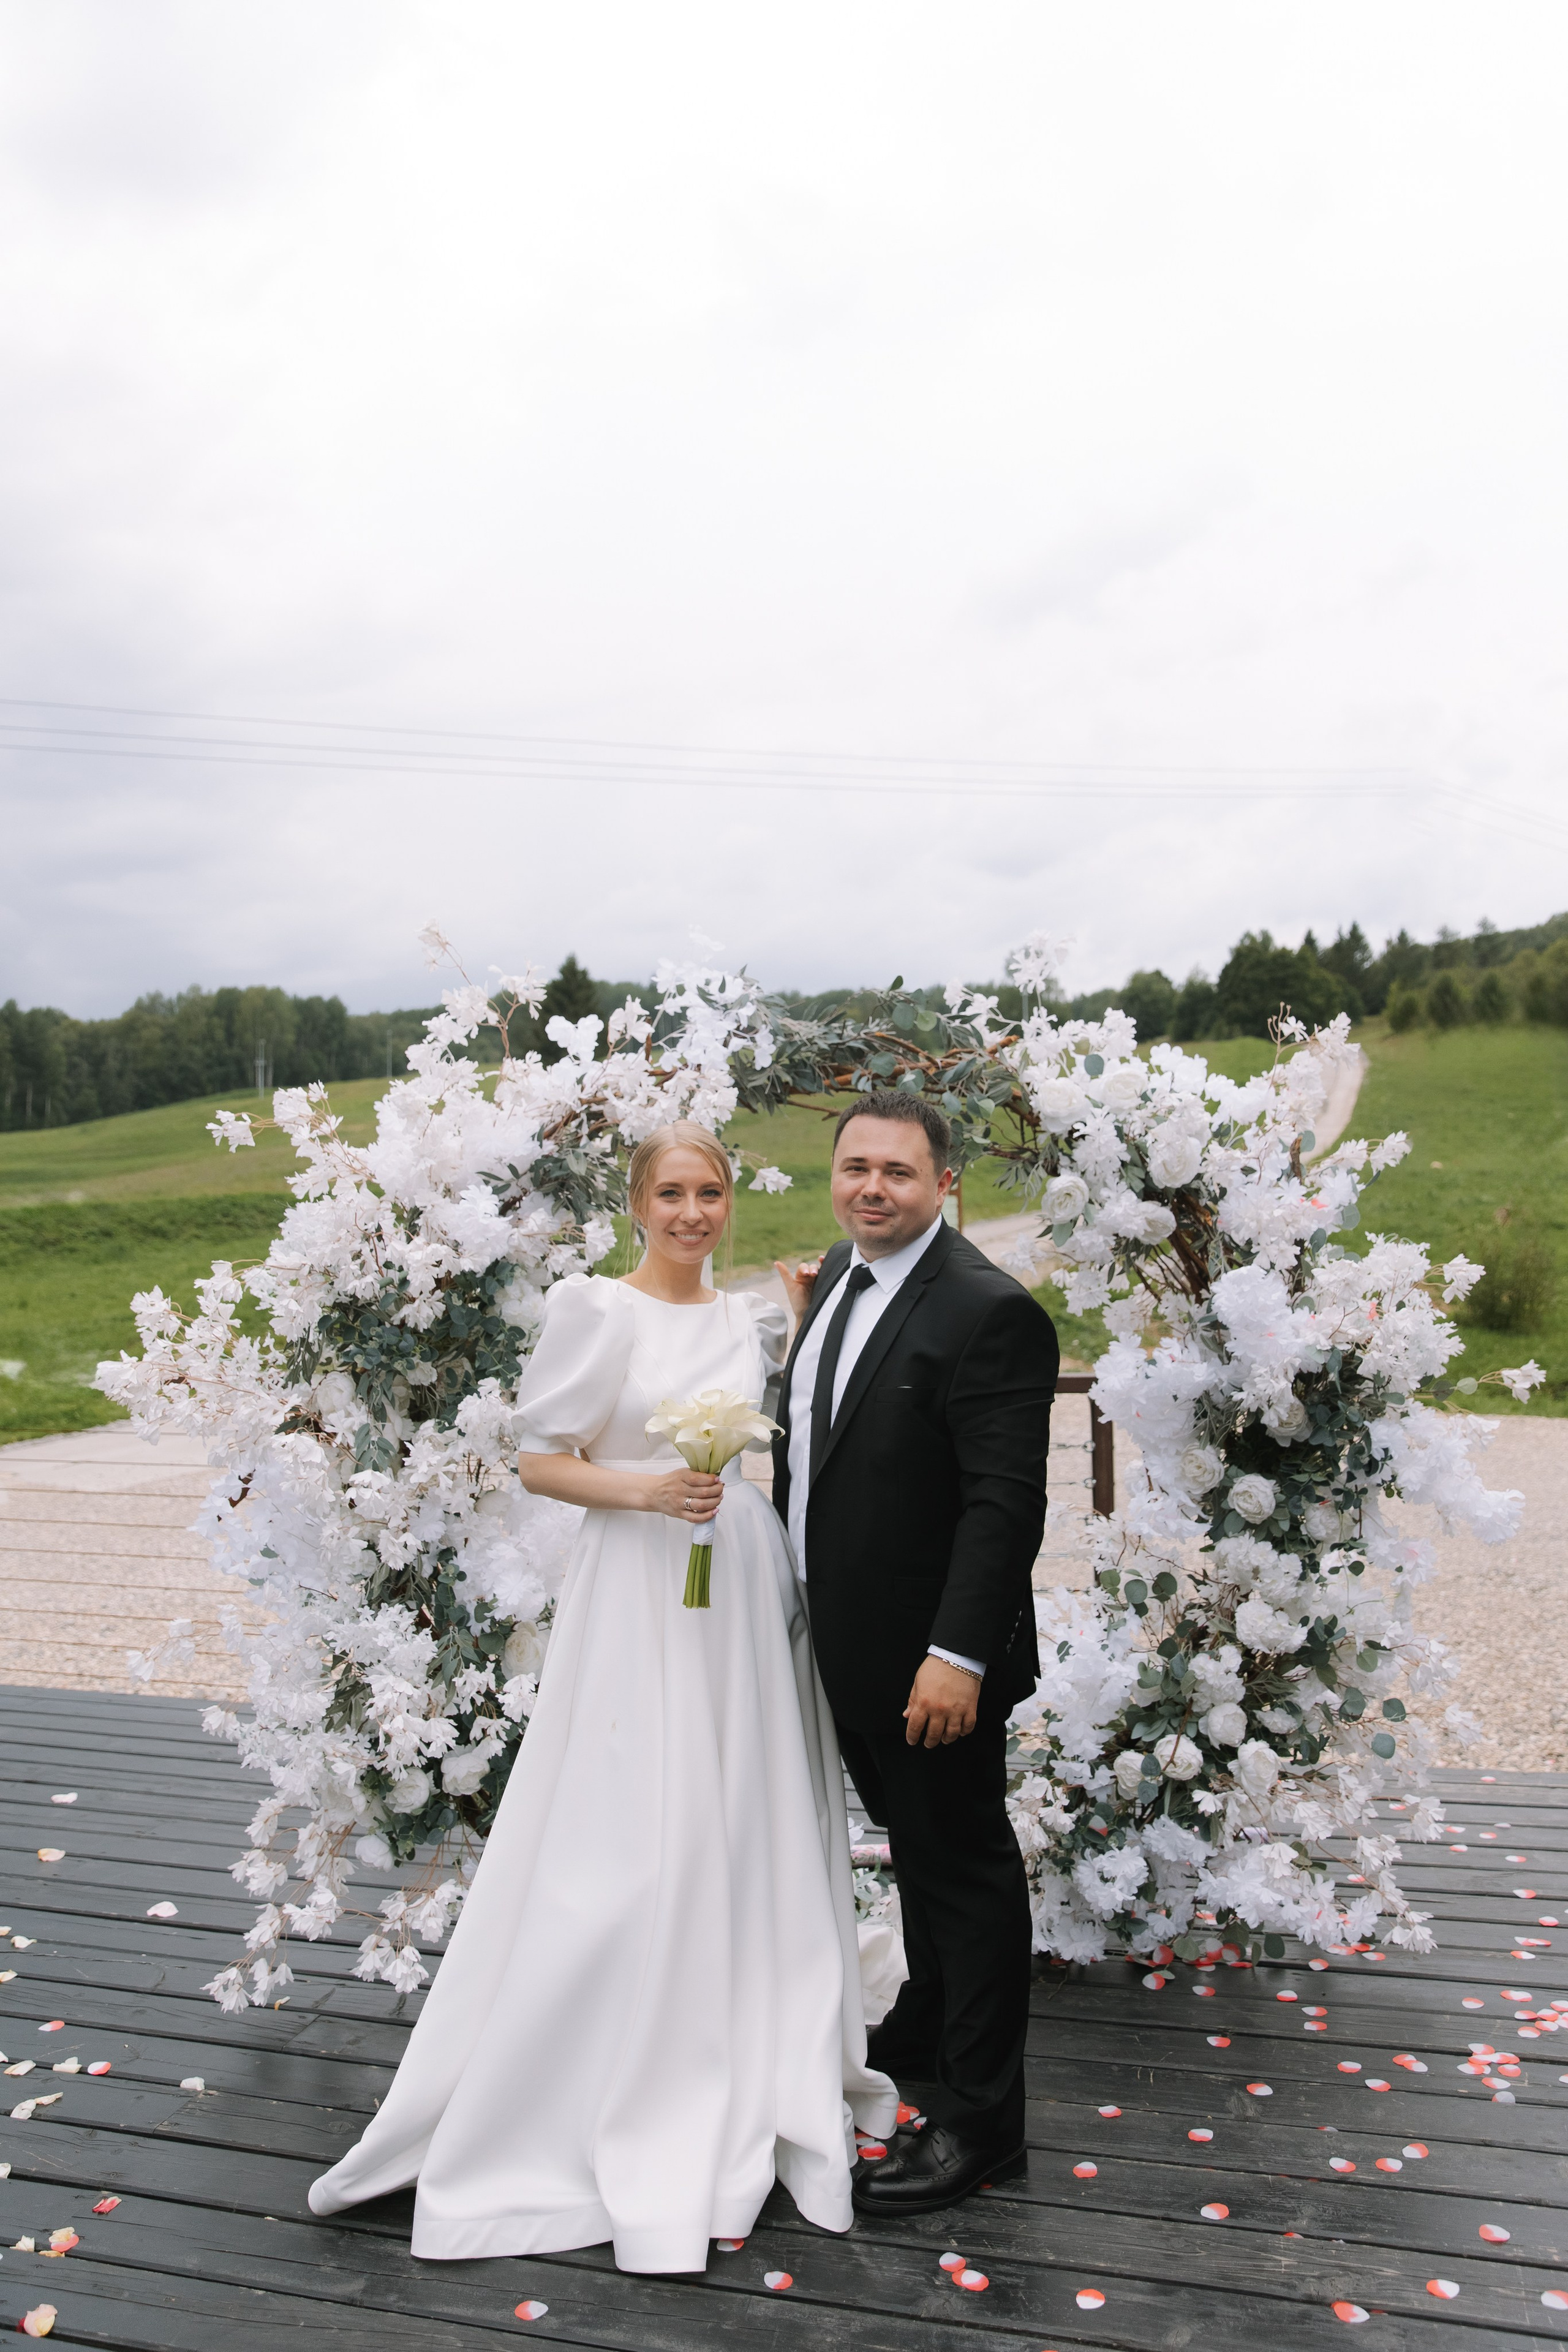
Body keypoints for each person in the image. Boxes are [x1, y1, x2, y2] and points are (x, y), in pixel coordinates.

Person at [307, 1120, 896, 2271]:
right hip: (640, 1584)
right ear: (638, 1204)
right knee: (633, 1820)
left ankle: (744, 2023)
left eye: (711, 1193)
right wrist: (646, 1491)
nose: (692, 1213)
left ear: (732, 1202)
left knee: (741, 1808)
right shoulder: (596, 1306)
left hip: (737, 1580)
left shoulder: (747, 1318)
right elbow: (540, 1459)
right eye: (672, 1194)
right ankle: (614, 2044)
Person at [771, 1090, 1058, 2215]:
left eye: (896, 1171)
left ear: (946, 1184)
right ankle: (932, 2028)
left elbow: (1004, 1506)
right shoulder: (839, 1281)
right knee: (923, 1854)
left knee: (966, 1866)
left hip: (930, 1661)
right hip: (844, 1639)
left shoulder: (988, 1311)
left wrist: (959, 1655)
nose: (871, 1188)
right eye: (854, 1169)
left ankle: (987, 2125)